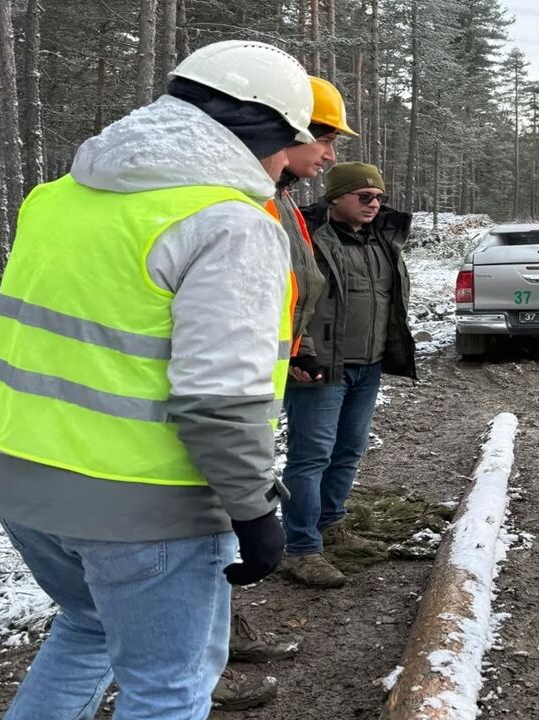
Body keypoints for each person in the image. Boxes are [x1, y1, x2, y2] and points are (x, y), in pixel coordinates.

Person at [0, 40, 313, 718]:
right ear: (262, 129)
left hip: (17, 480)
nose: (286, 164)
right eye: (289, 144)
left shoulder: (56, 198)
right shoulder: (230, 223)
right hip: (147, 506)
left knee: (88, 628)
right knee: (167, 686)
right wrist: (253, 510)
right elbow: (220, 398)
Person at [213, 75, 361, 713]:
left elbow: (290, 292)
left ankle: (218, 635)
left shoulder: (278, 204)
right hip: (217, 399)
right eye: (323, 137)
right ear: (285, 129)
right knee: (214, 522)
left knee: (219, 525)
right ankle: (197, 659)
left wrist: (295, 348)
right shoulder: (239, 207)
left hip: (255, 387)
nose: (329, 153)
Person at [279, 162, 416, 588]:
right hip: (319, 367)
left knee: (348, 451)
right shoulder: (306, 234)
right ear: (336, 196)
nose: (374, 204)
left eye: (379, 197)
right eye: (364, 196)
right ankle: (301, 548)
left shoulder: (383, 237)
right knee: (310, 458)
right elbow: (292, 296)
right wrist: (301, 353)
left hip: (367, 365)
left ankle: (330, 523)